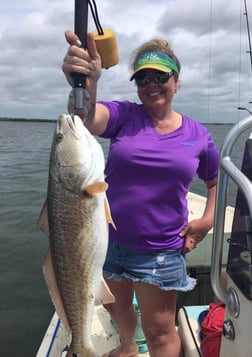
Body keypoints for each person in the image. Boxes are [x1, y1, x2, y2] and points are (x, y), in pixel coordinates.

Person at [62, 30, 219, 357]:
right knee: (117, 311)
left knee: (160, 331)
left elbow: (215, 180)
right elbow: (87, 117)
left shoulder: (198, 135)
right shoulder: (125, 116)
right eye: (143, 77)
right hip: (107, 243)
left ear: (177, 82)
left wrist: (207, 219)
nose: (151, 83)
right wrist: (86, 86)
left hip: (159, 249)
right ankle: (128, 347)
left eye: (160, 75)